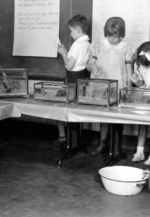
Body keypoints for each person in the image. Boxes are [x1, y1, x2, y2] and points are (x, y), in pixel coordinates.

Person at [86, 16, 135, 155]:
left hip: (119, 86)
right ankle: (103, 143)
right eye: (109, 36)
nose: (112, 39)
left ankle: (116, 148)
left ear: (122, 34)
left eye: (116, 37)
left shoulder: (127, 48)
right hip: (102, 86)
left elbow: (129, 71)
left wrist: (129, 90)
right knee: (103, 116)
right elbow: (89, 64)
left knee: (118, 117)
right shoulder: (98, 45)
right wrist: (93, 66)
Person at [55, 15, 90, 146]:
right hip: (82, 80)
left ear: (77, 30)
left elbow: (70, 65)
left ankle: (63, 137)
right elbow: (77, 62)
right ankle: (75, 141)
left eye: (71, 31)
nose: (70, 34)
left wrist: (63, 54)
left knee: (58, 106)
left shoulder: (77, 45)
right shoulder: (87, 43)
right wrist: (66, 52)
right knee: (76, 110)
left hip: (72, 81)